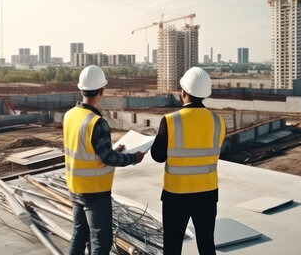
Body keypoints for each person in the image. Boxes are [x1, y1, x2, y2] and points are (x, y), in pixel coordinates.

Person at [64, 65, 145, 255]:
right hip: (95, 191)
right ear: (102, 91)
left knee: (79, 235)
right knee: (101, 242)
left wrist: (113, 149)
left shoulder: (70, 116)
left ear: (81, 89)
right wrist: (134, 157)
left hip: (75, 187)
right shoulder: (96, 122)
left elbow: (86, 149)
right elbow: (107, 158)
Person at [151, 67, 226, 255]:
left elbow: (158, 156)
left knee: (173, 246)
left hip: (176, 195)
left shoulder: (170, 121)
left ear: (183, 92)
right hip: (208, 194)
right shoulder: (218, 121)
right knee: (207, 244)